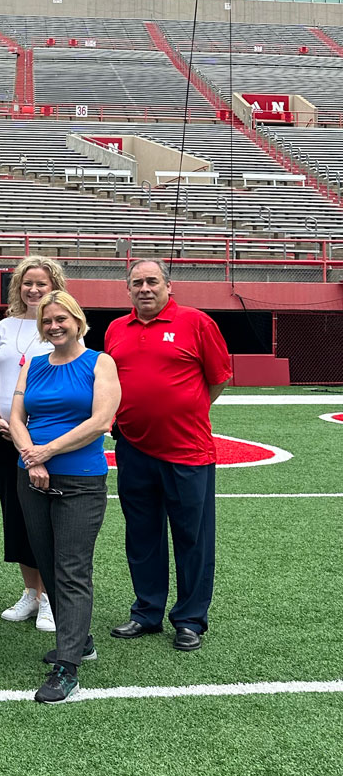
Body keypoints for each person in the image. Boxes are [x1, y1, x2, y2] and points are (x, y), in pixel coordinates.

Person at [103, 258, 232, 651]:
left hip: (187, 451)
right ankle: (146, 611)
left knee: (192, 537)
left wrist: (182, 412)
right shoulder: (115, 329)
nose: (145, 288)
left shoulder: (196, 322)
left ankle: (191, 618)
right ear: (128, 289)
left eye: (152, 281)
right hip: (133, 449)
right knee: (142, 535)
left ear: (168, 285)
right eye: (137, 282)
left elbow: (218, 379)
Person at [10, 291, 121, 704]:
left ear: (77, 321)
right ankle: (81, 640)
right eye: (46, 321)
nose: (53, 326)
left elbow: (99, 421)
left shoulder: (99, 362)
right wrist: (30, 456)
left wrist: (47, 452)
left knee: (72, 567)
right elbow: (17, 417)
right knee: (49, 563)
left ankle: (68, 667)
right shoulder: (34, 365)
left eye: (61, 319)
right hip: (32, 477)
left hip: (80, 480)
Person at [0, 255, 67, 636]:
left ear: (55, 287)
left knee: (44, 517)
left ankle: (51, 596)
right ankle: (31, 591)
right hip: (3, 436)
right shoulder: (3, 325)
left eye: (42, 284)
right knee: (16, 513)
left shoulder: (58, 324)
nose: (34, 290)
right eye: (27, 283)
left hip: (43, 437)